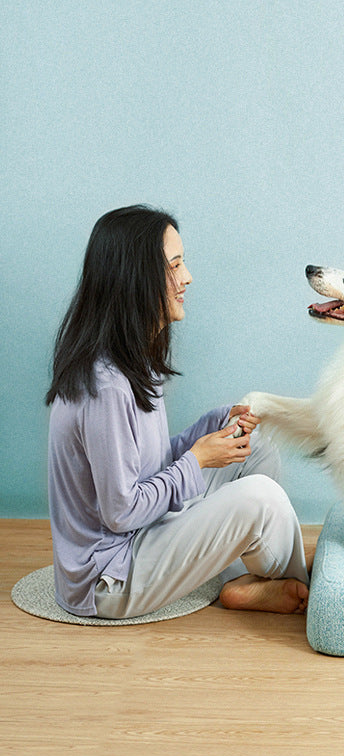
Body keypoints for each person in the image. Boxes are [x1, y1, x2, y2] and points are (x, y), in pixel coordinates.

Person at [45, 205, 310, 619]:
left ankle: (249, 581)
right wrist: (198, 459)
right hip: (109, 577)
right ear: (137, 279)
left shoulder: (132, 361)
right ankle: (296, 589)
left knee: (254, 446)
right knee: (261, 499)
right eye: (175, 265)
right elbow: (121, 512)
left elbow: (145, 465)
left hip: (143, 534)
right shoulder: (105, 387)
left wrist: (213, 429)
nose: (187, 278)